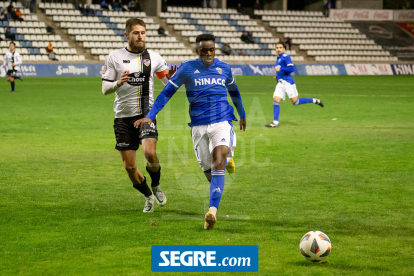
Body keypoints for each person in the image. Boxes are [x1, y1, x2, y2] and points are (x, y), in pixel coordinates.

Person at [134, 34, 247, 230]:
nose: (209, 53)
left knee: (217, 160)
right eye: (204, 50)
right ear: (198, 51)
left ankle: (212, 212)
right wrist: (150, 116)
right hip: (198, 126)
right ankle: (228, 160)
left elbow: (234, 90)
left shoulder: (224, 68)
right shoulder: (187, 68)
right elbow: (167, 92)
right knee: (209, 171)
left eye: (212, 50)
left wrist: (242, 113)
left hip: (222, 121)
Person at [102, 18, 177, 213]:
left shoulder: (154, 58)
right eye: (136, 33)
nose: (140, 36)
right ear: (126, 35)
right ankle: (148, 196)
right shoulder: (114, 57)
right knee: (129, 167)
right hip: (123, 118)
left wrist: (172, 78)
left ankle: (156, 184)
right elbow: (104, 88)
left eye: (143, 32)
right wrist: (117, 83)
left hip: (146, 114)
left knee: (150, 153)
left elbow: (166, 85)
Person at [265, 42, 323, 128]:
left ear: (284, 49)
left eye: (280, 47)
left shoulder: (286, 57)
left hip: (288, 83)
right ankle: (275, 122)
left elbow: (291, 68)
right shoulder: (278, 58)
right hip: (280, 83)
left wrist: (280, 68)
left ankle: (314, 100)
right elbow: (281, 71)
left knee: (295, 102)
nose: (278, 49)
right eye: (277, 48)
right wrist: (277, 77)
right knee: (276, 100)